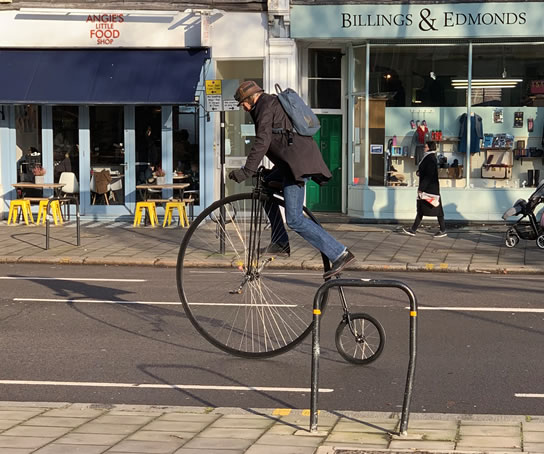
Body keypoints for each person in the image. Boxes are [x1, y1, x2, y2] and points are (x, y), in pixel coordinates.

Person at [228, 80, 355, 278]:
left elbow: (262, 141)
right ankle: (280, 241)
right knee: (265, 186)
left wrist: (247, 170)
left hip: (297, 166)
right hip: (290, 164)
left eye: (243, 103)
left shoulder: (265, 106)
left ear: (252, 97)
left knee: (294, 219)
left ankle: (339, 252)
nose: (243, 108)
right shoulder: (268, 104)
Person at [403, 141, 447, 238]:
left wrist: (421, 188)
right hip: (430, 188)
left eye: (426, 146)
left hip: (429, 189)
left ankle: (442, 229)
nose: (424, 148)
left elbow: (429, 175)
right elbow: (426, 171)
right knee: (423, 209)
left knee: (435, 209)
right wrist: (420, 172)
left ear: (430, 148)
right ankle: (414, 229)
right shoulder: (429, 157)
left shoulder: (430, 158)